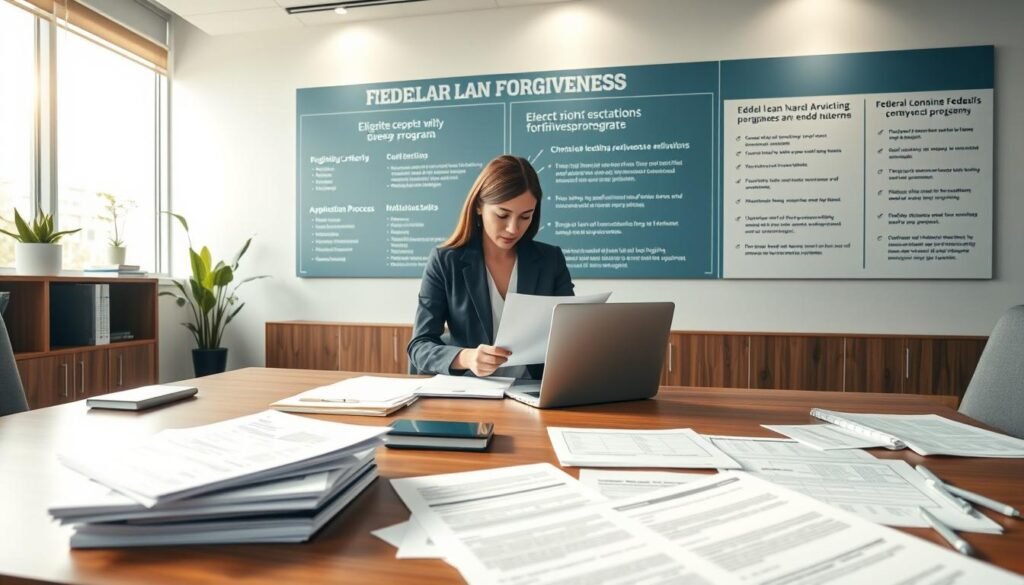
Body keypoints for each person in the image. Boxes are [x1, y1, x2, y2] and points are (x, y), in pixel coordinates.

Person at [408, 154, 575, 378]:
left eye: (525, 216)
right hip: (469, 396)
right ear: (479, 206)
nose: (513, 229)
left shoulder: (550, 260)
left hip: (535, 394)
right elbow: (419, 346)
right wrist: (466, 358)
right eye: (502, 215)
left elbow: (570, 333)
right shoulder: (445, 262)